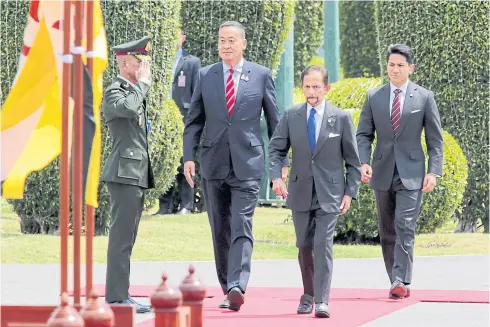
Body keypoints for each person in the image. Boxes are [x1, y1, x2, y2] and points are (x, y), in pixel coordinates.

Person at [182, 21, 289, 311]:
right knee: (220, 228)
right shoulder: (206, 76)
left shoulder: (261, 75)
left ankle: (237, 284)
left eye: (231, 40)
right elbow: (194, 121)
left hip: (248, 163)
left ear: (243, 44)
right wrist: (188, 156)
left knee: (242, 223)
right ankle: (226, 287)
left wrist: (280, 163)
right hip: (213, 163)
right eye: (222, 40)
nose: (225, 45)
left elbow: (275, 123)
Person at [268, 66, 361, 318]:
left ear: (326, 88)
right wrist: (276, 176)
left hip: (330, 193)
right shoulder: (291, 115)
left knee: (322, 244)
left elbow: (353, 161)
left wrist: (350, 193)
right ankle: (308, 295)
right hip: (299, 191)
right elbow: (276, 150)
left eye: (316, 87)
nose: (311, 92)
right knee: (304, 245)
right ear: (302, 88)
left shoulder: (341, 118)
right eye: (307, 87)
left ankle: (322, 300)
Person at [356, 44, 443, 299]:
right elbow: (363, 134)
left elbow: (435, 141)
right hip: (382, 171)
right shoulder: (374, 97)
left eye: (400, 65)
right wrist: (363, 161)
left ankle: (401, 279)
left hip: (413, 172)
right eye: (391, 65)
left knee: (404, 224)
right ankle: (395, 277)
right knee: (387, 230)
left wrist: (433, 171)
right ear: (386, 67)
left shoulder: (424, 97)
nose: (395, 69)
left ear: (410, 68)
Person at [100, 36, 154, 314]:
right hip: (123, 173)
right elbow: (128, 109)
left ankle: (121, 293)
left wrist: (141, 86)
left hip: (134, 173)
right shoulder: (115, 91)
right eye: (139, 61)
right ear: (124, 63)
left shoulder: (131, 90)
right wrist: (142, 84)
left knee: (128, 237)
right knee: (121, 238)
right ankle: (116, 297)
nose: (145, 66)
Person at [154, 27, 201, 216]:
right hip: (163, 117)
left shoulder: (192, 62)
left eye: (177, 33)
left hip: (184, 117)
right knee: (164, 160)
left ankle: (186, 205)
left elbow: (197, 92)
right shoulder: (160, 60)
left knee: (185, 161)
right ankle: (164, 206)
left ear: (183, 37)